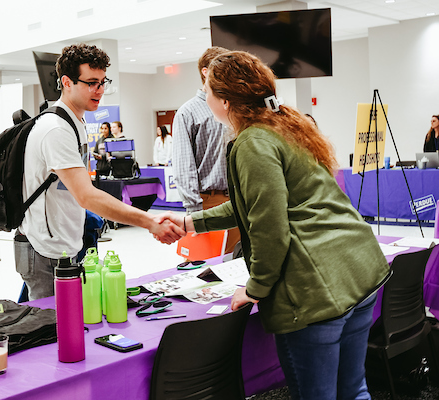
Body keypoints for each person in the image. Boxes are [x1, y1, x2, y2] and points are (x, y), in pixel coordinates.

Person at [162, 51, 390, 400]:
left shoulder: (252, 141)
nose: (203, 96)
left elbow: (270, 228)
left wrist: (255, 289)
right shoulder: (284, 124)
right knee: (353, 389)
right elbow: (258, 204)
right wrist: (192, 221)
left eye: (206, 90)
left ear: (223, 100)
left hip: (318, 290)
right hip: (359, 271)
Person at [15, 43, 183, 301]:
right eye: (92, 82)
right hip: (45, 250)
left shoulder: (76, 122)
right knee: (51, 332)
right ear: (67, 82)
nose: (100, 90)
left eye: (103, 82)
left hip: (64, 244)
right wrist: (149, 221)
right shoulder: (56, 129)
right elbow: (87, 196)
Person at [171, 46, 240, 256]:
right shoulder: (188, 112)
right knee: (208, 271)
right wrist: (194, 212)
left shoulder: (235, 107)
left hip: (239, 198)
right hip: (208, 200)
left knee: (238, 263)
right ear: (206, 71)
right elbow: (184, 166)